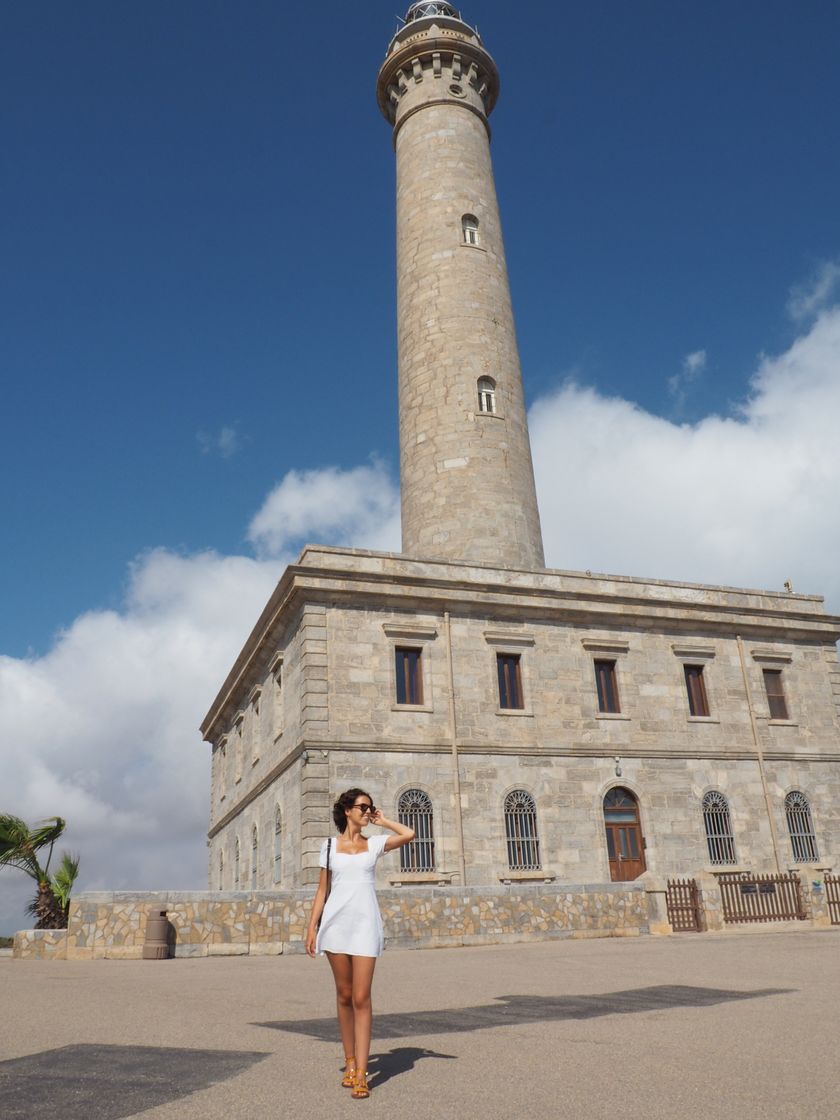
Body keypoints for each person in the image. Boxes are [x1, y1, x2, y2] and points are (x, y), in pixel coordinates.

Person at [305, 788, 415, 1099]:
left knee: (362, 997)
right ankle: (350, 1062)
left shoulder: (375, 844)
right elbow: (322, 891)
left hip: (366, 927)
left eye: (370, 807)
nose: (367, 812)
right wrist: (312, 927)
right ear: (347, 811)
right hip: (336, 926)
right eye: (363, 807)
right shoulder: (328, 847)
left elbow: (409, 833)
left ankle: (363, 1074)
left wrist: (384, 820)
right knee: (344, 995)